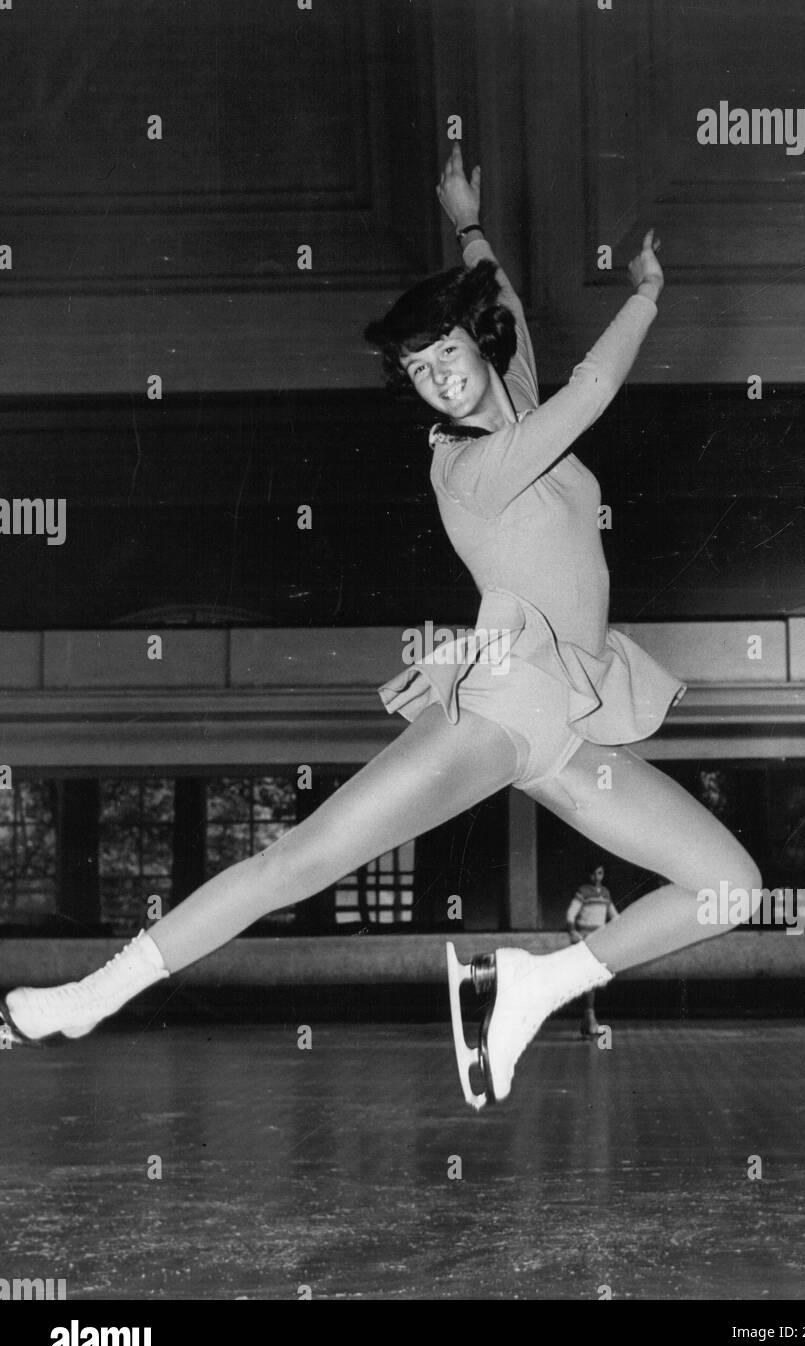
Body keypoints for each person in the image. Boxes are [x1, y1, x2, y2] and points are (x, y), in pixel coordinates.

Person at [1, 142, 761, 1116]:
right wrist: (645, 294)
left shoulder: (511, 401)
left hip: (563, 725)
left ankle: (532, 983)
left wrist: (466, 221)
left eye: (446, 355)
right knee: (297, 860)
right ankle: (81, 997)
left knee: (727, 885)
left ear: (476, 347)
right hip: (499, 706)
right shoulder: (466, 467)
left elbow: (513, 319)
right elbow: (592, 392)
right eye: (417, 370)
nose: (437, 380)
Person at [566, 863, 620, 1036]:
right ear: (589, 875)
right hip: (586, 940)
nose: (598, 877)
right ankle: (590, 1018)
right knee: (590, 980)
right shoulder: (584, 892)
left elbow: (615, 916)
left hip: (600, 940)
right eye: (595, 873)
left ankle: (588, 1019)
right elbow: (570, 914)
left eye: (601, 873)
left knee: (594, 981)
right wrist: (573, 931)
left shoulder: (605, 893)